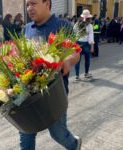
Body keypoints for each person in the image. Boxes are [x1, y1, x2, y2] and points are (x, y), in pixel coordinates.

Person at [19, 0, 82, 150]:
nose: (29, 8)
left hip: (54, 95)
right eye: (28, 5)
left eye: (33, 3)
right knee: (26, 134)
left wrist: (66, 61)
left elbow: (75, 53)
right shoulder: (26, 29)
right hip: (28, 95)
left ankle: (74, 144)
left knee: (57, 133)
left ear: (47, 3)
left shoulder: (63, 25)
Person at [75, 9, 94, 80]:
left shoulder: (77, 24)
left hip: (78, 43)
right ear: (89, 18)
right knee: (87, 59)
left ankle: (77, 76)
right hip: (86, 44)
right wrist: (92, 46)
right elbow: (91, 37)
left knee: (77, 60)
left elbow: (74, 34)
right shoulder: (89, 26)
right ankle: (86, 73)